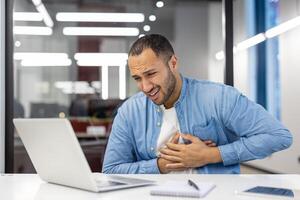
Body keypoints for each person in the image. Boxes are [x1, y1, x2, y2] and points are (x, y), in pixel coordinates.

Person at [102, 34, 292, 174]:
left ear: (173, 63)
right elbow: (111, 170)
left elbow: (278, 136)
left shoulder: (218, 97)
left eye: (151, 74)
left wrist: (212, 155)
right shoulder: (129, 111)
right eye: (137, 78)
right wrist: (160, 165)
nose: (145, 86)